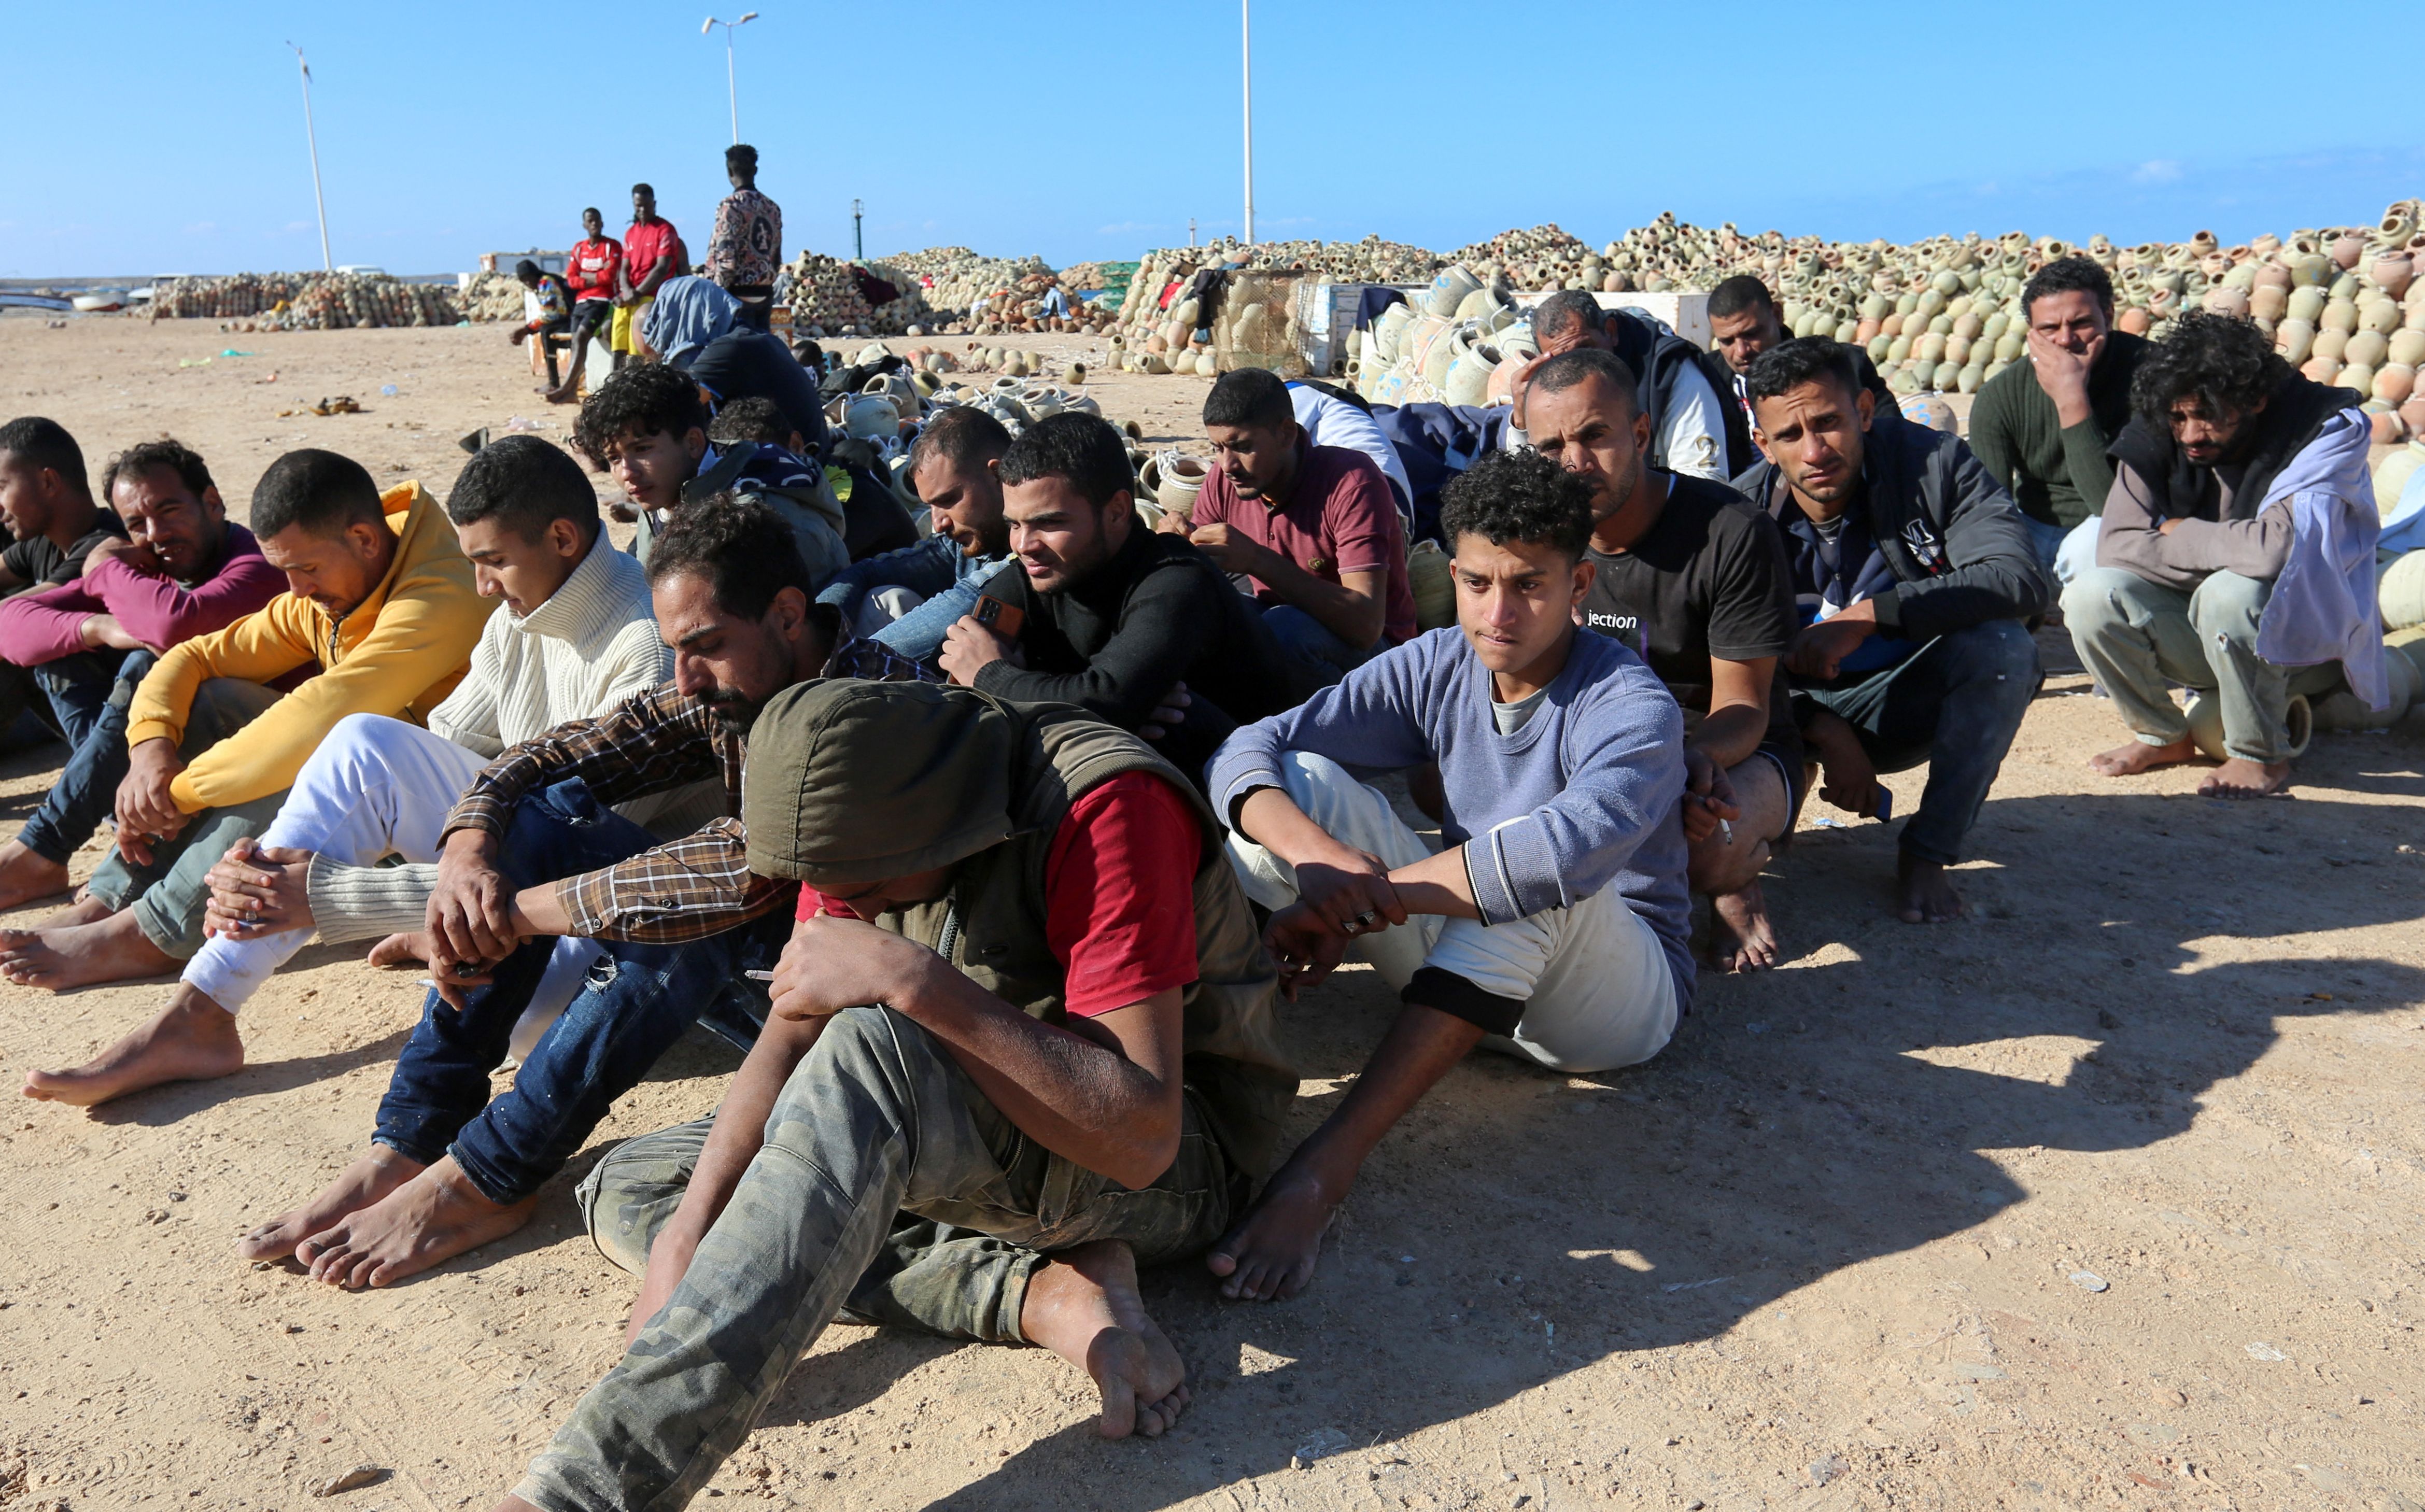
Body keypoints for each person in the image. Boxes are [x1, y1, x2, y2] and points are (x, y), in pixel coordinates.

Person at [475, 674, 1297, 1512]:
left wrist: (914, 979)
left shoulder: (1106, 806)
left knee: (869, 1049)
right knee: (636, 1186)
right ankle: (1033, 1293)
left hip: (1165, 1164)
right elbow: (794, 1019)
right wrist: (686, 1242)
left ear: (933, 819)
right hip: (971, 1119)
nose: (849, 905)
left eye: (865, 886)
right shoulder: (867, 811)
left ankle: (582, 1495)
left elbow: (1143, 1135)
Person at [227, 498, 933, 1289]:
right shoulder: (735, 680)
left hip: (884, 1024)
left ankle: (488, 1178)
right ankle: (414, 1138)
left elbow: (742, 872)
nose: (685, 677)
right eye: (675, 650)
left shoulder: (868, 710)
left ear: (789, 613)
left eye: (704, 647)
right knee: (541, 815)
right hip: (779, 977)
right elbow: (548, 755)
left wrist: (509, 916)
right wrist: (466, 857)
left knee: (695, 917)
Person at [1203, 447, 1690, 1303]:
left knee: (1532, 875)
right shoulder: (1438, 662)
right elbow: (1250, 748)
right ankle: (1213, 1045)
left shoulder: (1628, 702)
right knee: (1303, 787)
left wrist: (1353, 907)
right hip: (1466, 970)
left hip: (1612, 1005)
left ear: (1579, 588)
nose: (1495, 612)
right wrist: (1319, 867)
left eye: (1528, 585)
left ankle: (1323, 1169)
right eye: (1474, 582)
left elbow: (1563, 854)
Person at [83, 436, 669, 1119]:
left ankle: (260, 942)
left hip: (605, 954)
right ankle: (203, 1008)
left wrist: (336, 897)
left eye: (491, 562)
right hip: (517, 887)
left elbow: (590, 877)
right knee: (363, 741)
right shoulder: (520, 610)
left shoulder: (644, 649)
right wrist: (288, 868)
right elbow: (433, 758)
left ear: (563, 538)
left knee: (512, 994)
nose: (479, 585)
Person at [7, 448, 483, 1019]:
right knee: (212, 697)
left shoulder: (439, 595)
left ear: (364, 539)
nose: (295, 590)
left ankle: (153, 931)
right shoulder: (336, 580)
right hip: (377, 800)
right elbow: (192, 656)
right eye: (285, 570)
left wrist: (174, 794)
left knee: (305, 753)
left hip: (454, 828)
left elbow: (319, 716)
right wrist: (149, 751)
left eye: (305, 570)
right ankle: (114, 894)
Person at [1731, 338, 2050, 925]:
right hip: (1786, 710)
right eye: (1790, 435)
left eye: (1828, 422)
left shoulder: (1936, 465)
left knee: (2004, 650)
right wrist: (1819, 727)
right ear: (1764, 444)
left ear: (1865, 410)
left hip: (1903, 696)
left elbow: (2019, 577)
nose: (1815, 449)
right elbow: (1712, 666)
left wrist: (1870, 616)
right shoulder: (1739, 515)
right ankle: (1782, 795)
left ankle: (1927, 852)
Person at [1526, 348, 1802, 973]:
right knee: (1443, 782)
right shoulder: (1542, 540)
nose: (1574, 464)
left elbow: (1744, 707)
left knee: (1686, 839)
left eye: (1595, 436)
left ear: (1641, 432)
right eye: (1551, 448)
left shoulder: (1731, 531)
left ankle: (1736, 876)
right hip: (1605, 744)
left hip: (1727, 749)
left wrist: (1669, 765)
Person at [2063, 312, 2381, 799]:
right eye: (2179, 418)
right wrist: (2233, 545)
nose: (2191, 434)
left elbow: (2276, 552)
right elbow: (2118, 543)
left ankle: (2261, 754)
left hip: (2303, 642)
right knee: (2091, 593)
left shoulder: (2321, 431)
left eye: (2208, 416)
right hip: (2202, 634)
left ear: (2255, 400)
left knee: (2231, 592)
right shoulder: (2159, 422)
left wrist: (2176, 531)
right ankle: (2162, 735)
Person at [0, 439, 285, 910]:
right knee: (63, 648)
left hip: (262, 761)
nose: (155, 534)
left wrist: (103, 570)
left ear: (212, 503)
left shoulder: (257, 564)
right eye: (136, 524)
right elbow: (10, 623)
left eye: (169, 510)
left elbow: (177, 627)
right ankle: (110, 817)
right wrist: (99, 626)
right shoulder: (152, 568)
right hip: (162, 764)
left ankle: (47, 847)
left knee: (152, 663)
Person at [936, 412, 1295, 783]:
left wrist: (994, 676)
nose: (1024, 545)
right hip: (1146, 775)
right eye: (1014, 524)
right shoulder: (1034, 575)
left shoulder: (1177, 580)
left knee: (1172, 724)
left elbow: (1104, 701)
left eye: (1050, 523)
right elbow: (960, 685)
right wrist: (1099, 716)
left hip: (1261, 779)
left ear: (1118, 511)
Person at [1173, 368, 1417, 701]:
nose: (1227, 465)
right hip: (1281, 634)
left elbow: (1365, 626)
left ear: (1286, 433)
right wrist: (1171, 547)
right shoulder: (1226, 479)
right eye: (1217, 448)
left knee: (1285, 629)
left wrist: (1257, 559)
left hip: (1379, 662)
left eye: (1242, 446)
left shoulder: (1351, 483)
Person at [572, 361, 850, 585]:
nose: (627, 473)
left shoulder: (759, 517)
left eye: (642, 449)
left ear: (693, 443)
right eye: (614, 458)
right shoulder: (664, 495)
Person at [1968, 256, 2154, 583]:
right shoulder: (1999, 396)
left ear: (2108, 316)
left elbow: (2112, 508)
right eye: (2050, 328)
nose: (2066, 339)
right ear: (2031, 333)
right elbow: (1990, 509)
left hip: (2119, 522)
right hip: (2034, 528)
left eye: (2081, 323)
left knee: (2090, 551)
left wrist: (2072, 398)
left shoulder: (2152, 375)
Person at [815, 405, 1013, 658]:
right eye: (930, 505)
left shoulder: (1034, 555)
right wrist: (819, 632)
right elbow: (867, 572)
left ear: (997, 475)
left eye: (948, 500)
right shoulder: (965, 542)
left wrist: (834, 663)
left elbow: (965, 599)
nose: (938, 523)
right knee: (885, 597)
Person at [639, 275, 840, 500]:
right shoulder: (752, 338)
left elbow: (673, 408)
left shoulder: (729, 348)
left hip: (793, 474)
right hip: (809, 464)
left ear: (686, 313)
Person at [0, 417, 129, 744]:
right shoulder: (42, 542)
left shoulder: (104, 549)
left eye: (2, 487)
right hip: (65, 707)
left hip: (119, 723)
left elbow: (14, 616)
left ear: (48, 482)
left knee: (27, 640)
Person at [1510, 290, 1730, 481]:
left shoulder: (1669, 374)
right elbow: (1531, 488)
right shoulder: (1554, 391)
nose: (1578, 368)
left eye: (1586, 350)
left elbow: (1705, 477)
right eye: (1563, 359)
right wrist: (1522, 421)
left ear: (1611, 332)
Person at [1701, 275, 1894, 478]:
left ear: (1777, 314)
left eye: (1751, 334)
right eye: (1727, 341)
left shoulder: (1843, 367)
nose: (1741, 351)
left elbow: (1891, 440)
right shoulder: (1704, 379)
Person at [703, 143, 783, 333]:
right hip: (765, 292)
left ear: (729, 171)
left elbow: (726, 256)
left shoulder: (731, 206)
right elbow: (776, 255)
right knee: (760, 353)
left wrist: (717, 295)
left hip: (736, 295)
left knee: (737, 355)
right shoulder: (772, 208)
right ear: (755, 170)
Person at [545, 209, 622, 404]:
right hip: (581, 303)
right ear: (585, 225)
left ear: (602, 223)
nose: (594, 224)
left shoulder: (611, 247)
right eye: (590, 221)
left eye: (597, 220)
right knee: (576, 343)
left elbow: (609, 277)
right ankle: (571, 391)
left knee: (581, 335)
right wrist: (595, 276)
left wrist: (586, 276)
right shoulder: (579, 249)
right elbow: (571, 280)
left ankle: (565, 387)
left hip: (602, 302)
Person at [612, 184, 684, 367]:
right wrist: (626, 291)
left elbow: (661, 268)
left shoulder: (665, 230)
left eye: (646, 205)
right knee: (617, 328)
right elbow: (625, 268)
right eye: (638, 206)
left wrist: (636, 293)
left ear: (654, 204)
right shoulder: (631, 233)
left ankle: (636, 372)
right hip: (631, 295)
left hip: (653, 295)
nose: (642, 210)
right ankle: (616, 373)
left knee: (639, 332)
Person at [510, 260, 574, 392]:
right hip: (566, 318)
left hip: (569, 319)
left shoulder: (545, 283)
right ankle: (554, 381)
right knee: (546, 330)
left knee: (546, 332)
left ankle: (554, 381)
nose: (528, 283)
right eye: (524, 280)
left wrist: (526, 330)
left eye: (529, 278)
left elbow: (550, 315)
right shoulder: (542, 283)